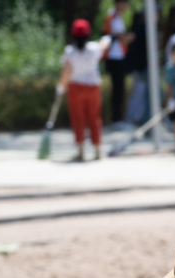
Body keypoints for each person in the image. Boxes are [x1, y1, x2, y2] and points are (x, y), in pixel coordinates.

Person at [60, 20, 108, 163]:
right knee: (94, 119)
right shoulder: (94, 49)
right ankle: (98, 151)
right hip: (93, 88)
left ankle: (81, 152)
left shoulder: (70, 51)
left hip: (75, 88)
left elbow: (67, 72)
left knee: (77, 119)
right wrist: (106, 38)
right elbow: (104, 46)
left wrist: (61, 87)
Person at [104, 0, 134, 126]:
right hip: (114, 56)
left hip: (117, 56)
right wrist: (132, 36)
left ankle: (117, 118)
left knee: (119, 88)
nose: (127, 6)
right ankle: (116, 120)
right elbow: (122, 38)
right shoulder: (114, 16)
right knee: (118, 89)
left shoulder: (116, 16)